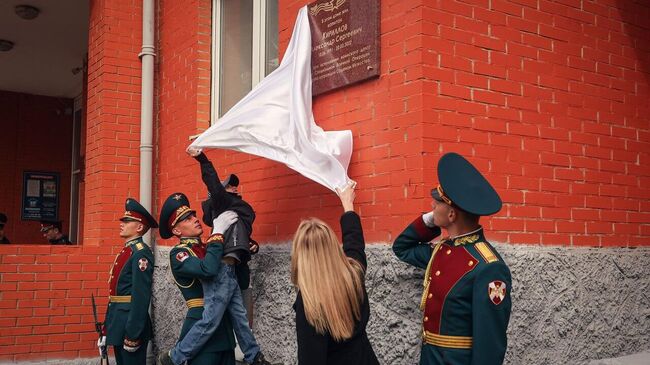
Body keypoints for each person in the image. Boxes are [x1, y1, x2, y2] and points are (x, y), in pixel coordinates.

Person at [392, 152, 512, 365]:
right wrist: (430, 220)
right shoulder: (441, 251)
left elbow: (489, 345)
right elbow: (402, 247)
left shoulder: (488, 266)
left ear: (451, 215)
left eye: (437, 204)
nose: (432, 205)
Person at [158, 193, 274, 365]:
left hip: (225, 333)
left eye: (194, 215)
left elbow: (239, 282)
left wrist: (241, 251)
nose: (195, 219)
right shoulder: (180, 253)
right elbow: (208, 269)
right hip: (202, 339)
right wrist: (218, 232)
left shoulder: (213, 247)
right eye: (187, 219)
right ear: (176, 230)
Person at [291, 183, 379, 365]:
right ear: (333, 247)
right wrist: (348, 204)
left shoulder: (308, 302)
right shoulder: (353, 275)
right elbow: (354, 244)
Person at [97, 198, 157, 365]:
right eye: (123, 220)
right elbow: (115, 296)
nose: (122, 223)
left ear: (139, 227)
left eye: (128, 221)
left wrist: (133, 333)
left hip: (131, 325)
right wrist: (107, 327)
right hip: (118, 321)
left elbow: (141, 296)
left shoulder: (140, 253)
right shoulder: (127, 251)